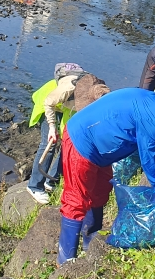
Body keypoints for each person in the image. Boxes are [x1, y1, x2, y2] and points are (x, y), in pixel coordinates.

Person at [57, 88, 155, 264]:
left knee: (100, 191)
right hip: (82, 141)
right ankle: (66, 260)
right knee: (77, 199)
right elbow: (149, 161)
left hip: (100, 149)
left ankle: (89, 242)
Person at [26, 64, 109, 204]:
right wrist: (52, 127)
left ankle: (51, 181)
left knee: (68, 142)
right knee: (49, 143)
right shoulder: (68, 88)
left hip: (65, 109)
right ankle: (34, 186)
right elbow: (49, 103)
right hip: (49, 103)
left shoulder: (99, 90)